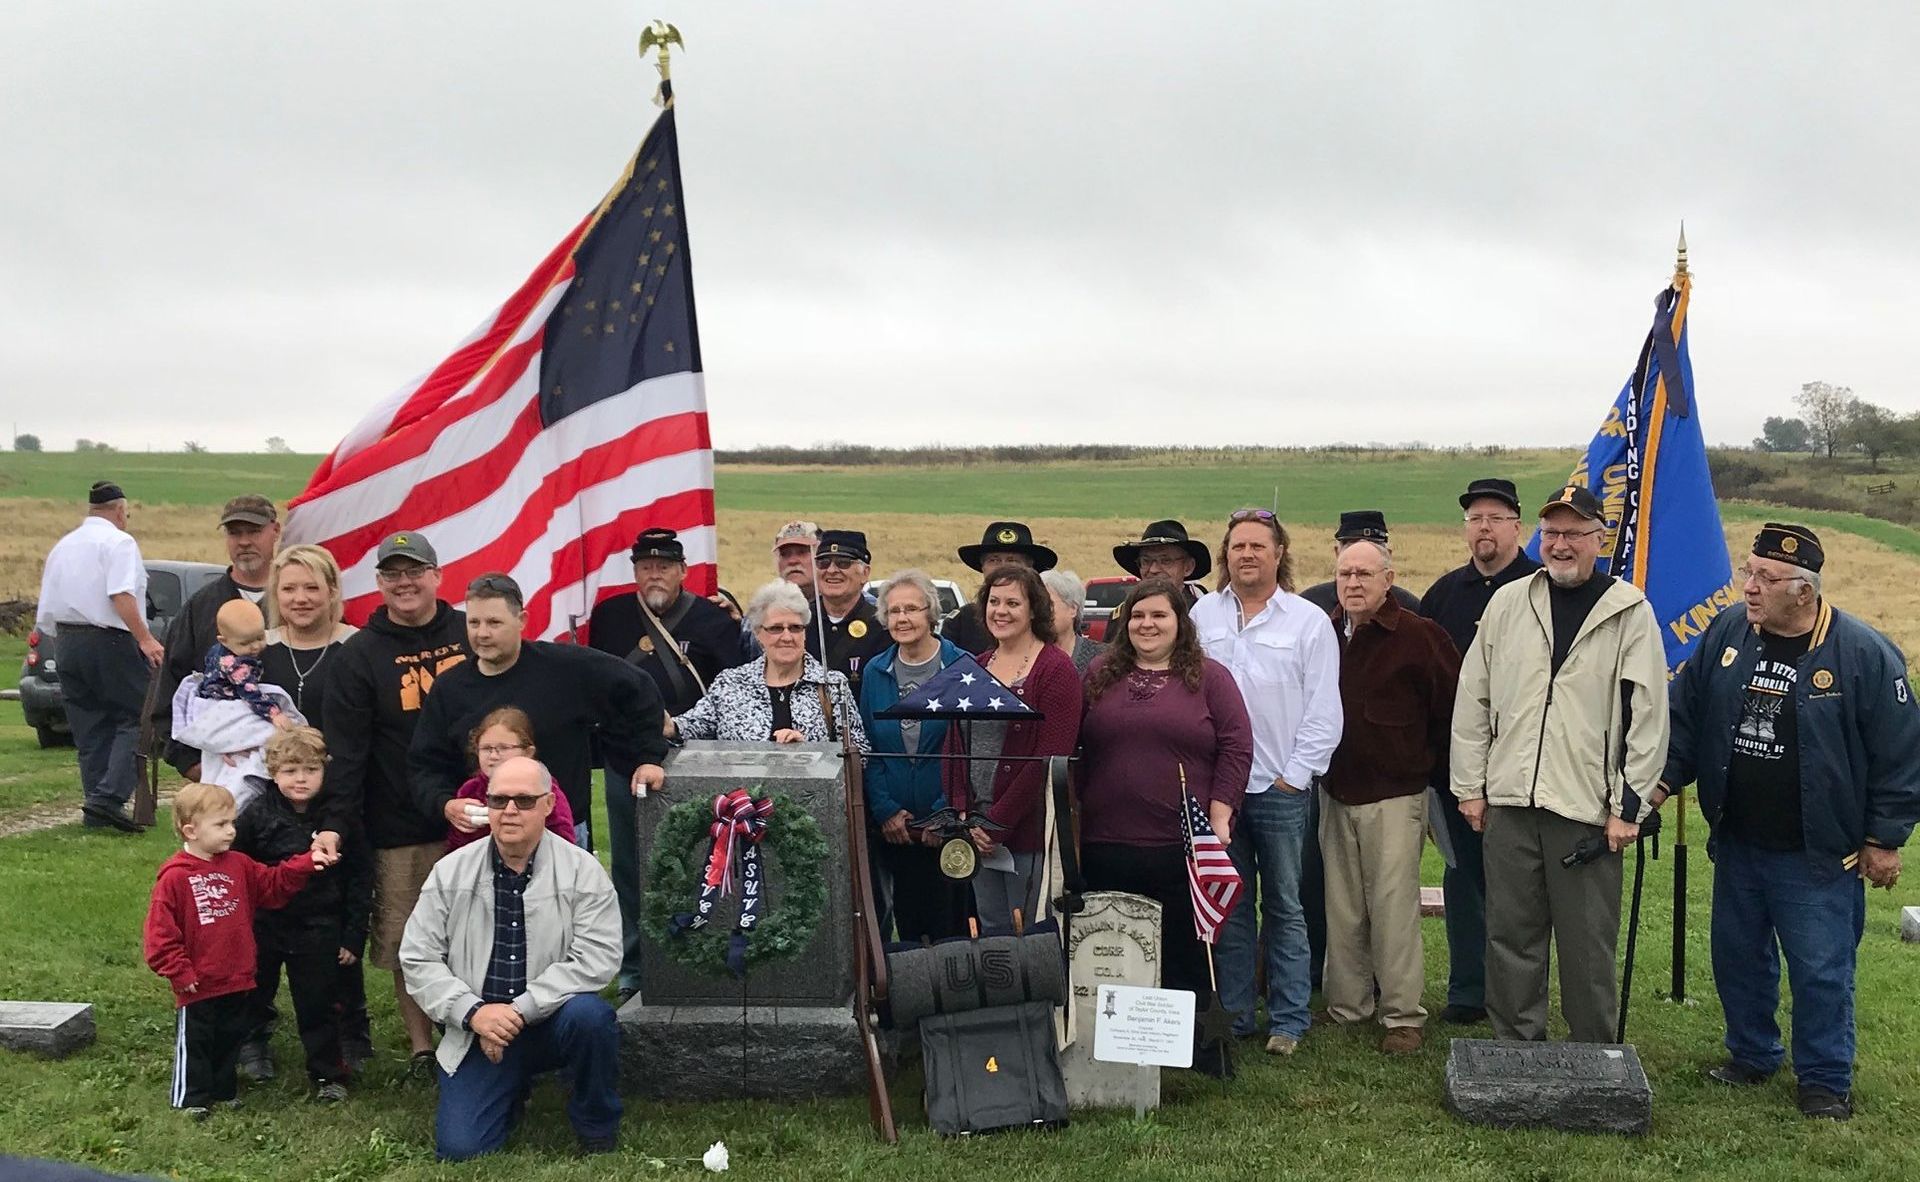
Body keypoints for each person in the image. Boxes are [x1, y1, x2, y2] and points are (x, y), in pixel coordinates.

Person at [1663, 523, 1920, 1121]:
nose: (1749, 587)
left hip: (1817, 851)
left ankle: (1825, 1080)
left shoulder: (1862, 653)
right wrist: (1661, 781)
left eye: (1765, 578)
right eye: (1748, 571)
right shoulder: (1728, 631)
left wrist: (1884, 839)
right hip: (1738, 839)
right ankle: (1752, 1054)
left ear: (1804, 591)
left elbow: (1901, 753)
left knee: (1821, 969)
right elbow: (1687, 714)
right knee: (1738, 957)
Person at [1450, 484, 1668, 1045]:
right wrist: (1470, 787)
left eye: (1574, 533)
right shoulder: (1508, 603)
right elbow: (1473, 698)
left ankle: (1593, 1053)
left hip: (1586, 811)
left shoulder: (1630, 612)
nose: (1561, 544)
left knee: (1586, 944)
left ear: (1600, 539)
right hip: (1510, 804)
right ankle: (1516, 1047)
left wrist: (1629, 808)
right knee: (1509, 936)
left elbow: (1647, 716)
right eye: (1551, 533)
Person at [409, 573, 668, 1002]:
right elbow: (424, 764)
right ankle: (485, 1017)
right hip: (480, 839)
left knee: (562, 942)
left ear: (522, 620)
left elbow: (638, 689)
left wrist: (646, 755)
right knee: (487, 944)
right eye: (474, 623)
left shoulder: (568, 669)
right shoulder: (451, 689)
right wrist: (444, 803)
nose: (482, 633)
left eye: (494, 622)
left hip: (562, 834)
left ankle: (565, 1022)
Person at [400, 756, 624, 1160]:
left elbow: (598, 956)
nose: (509, 811)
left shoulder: (582, 871)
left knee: (591, 1018)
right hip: (478, 1026)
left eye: (523, 800)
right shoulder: (450, 872)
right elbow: (418, 958)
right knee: (461, 1150)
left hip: (554, 1020)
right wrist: (473, 1013)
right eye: (498, 800)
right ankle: (510, 1089)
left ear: (548, 805)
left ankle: (596, 1126)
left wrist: (519, 1011)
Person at [1079, 578, 1252, 1075]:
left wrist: (1221, 814)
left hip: (1181, 843)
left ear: (1181, 623)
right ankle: (1117, 1054)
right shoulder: (1099, 674)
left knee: (1185, 952)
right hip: (1105, 838)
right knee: (1114, 949)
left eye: (1159, 615)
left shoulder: (1210, 678)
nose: (1147, 625)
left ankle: (1196, 1053)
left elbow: (1237, 746)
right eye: (1138, 615)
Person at [1191, 509, 1342, 1056]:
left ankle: (1288, 1019)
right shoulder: (1202, 616)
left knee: (1285, 907)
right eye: (1238, 546)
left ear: (1279, 554)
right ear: (1225, 555)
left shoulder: (1307, 621)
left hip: (1279, 789)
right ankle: (1234, 1018)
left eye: (1258, 546)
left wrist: (1293, 778)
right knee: (1229, 907)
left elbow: (1324, 710)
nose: (1247, 554)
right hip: (1219, 792)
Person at [320, 530, 470, 1077]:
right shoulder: (358, 656)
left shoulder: (469, 632)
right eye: (392, 574)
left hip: (476, 818)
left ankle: (475, 1033)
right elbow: (346, 752)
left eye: (415, 571)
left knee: (475, 933)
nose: (404, 582)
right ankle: (422, 1048)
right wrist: (337, 823)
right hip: (397, 825)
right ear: (380, 583)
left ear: (437, 575)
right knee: (409, 942)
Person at [1320, 535, 1459, 1055]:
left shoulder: (1420, 637)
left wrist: (1432, 772)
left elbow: (1452, 711)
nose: (1353, 583)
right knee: (1343, 908)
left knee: (1394, 907)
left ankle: (1402, 1016)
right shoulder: (1324, 633)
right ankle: (1347, 1005)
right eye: (1345, 574)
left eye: (1364, 574)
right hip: (1335, 791)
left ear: (1388, 581)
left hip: (1396, 794)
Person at [1417, 476, 1539, 1025]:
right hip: (1456, 768)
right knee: (1464, 879)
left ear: (1518, 526)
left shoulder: (1541, 589)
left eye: (1495, 518)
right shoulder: (1444, 595)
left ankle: (1516, 994)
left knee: (1519, 887)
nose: (1484, 528)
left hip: (1524, 765)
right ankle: (1468, 989)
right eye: (1475, 519)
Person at [143, 782, 331, 1119]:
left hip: (237, 976)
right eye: (221, 824)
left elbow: (272, 885)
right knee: (197, 1040)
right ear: (191, 830)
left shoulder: (239, 865)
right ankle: (192, 1098)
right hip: (197, 982)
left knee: (230, 1037)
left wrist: (305, 864)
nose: (232, 831)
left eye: (232, 822)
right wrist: (179, 970)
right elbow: (160, 934)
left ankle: (223, 1090)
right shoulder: (175, 878)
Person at [257, 543, 368, 1069]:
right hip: (270, 800)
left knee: (336, 908)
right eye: (289, 588)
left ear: (332, 591)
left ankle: (349, 1028)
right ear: (275, 594)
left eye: (311, 587)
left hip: (339, 796)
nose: (300, 598)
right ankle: (254, 1027)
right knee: (263, 912)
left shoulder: (356, 647)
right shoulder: (256, 652)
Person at [231, 727, 369, 1102]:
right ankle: (252, 1048)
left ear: (324, 771)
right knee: (254, 991)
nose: (301, 779)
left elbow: (360, 878)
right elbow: (238, 870)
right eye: (290, 771)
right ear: (273, 773)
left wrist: (353, 934)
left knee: (319, 1002)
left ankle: (328, 1073)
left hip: (321, 925)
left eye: (310, 770)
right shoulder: (255, 815)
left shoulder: (340, 820)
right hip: (265, 923)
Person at [943, 565, 1082, 934]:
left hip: (1027, 833)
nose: (1000, 611)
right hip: (975, 830)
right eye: (994, 602)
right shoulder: (975, 666)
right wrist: (965, 816)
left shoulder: (1055, 670)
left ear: (1034, 609)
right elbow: (953, 744)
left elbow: (1048, 757)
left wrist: (997, 823)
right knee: (992, 931)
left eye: (1012, 603)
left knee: (1030, 934)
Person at [34, 481, 165, 832]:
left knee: (90, 725)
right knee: (140, 715)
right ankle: (108, 798)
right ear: (120, 511)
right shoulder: (119, 542)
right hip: (109, 639)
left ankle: (96, 807)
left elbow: (47, 607)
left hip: (66, 640)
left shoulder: (63, 546)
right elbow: (120, 594)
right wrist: (145, 639)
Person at [857, 571, 971, 943]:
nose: (902, 618)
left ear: (931, 614)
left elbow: (968, 751)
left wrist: (944, 811)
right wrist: (885, 810)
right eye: (894, 611)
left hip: (948, 829)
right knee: (907, 933)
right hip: (897, 831)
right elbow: (870, 746)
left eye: (911, 609)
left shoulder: (962, 667)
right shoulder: (876, 671)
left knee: (949, 932)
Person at [159, 495, 284, 779]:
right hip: (219, 769)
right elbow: (169, 688)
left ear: (275, 531)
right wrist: (190, 763)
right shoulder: (201, 607)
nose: (244, 542)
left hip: (292, 769)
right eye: (234, 533)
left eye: (254, 531)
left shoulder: (297, 602)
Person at [670, 581, 869, 749]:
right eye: (775, 628)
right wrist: (666, 725)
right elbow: (692, 726)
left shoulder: (832, 684)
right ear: (758, 633)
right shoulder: (730, 683)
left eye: (795, 627)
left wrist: (809, 751)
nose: (787, 637)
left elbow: (858, 752)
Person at [585, 527, 743, 717]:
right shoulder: (609, 615)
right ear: (636, 573)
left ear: (683, 571)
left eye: (664, 568)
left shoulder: (714, 619)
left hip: (689, 727)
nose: (654, 576)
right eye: (646, 568)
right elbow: (595, 677)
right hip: (623, 727)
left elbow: (732, 688)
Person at [170, 599, 302, 810]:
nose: (255, 646)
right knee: (275, 733)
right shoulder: (235, 665)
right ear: (223, 640)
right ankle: (236, 801)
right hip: (224, 707)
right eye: (246, 643)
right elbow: (251, 693)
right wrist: (274, 714)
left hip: (215, 699)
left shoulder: (219, 651)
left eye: (259, 637)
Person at [446, 707, 577, 851]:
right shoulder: (470, 790)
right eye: (486, 748)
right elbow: (457, 845)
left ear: (528, 752)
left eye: (503, 748)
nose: (493, 756)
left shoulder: (542, 789)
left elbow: (564, 842)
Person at [942, 521, 1058, 655]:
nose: (1003, 568)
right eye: (994, 560)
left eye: (1012, 560)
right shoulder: (960, 622)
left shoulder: (1049, 620)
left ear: (1029, 568)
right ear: (982, 567)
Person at [808, 529, 888, 693]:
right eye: (823, 563)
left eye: (843, 563)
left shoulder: (883, 626)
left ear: (865, 573)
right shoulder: (799, 622)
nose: (831, 570)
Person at [1298, 510, 1421, 614]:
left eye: (1372, 548)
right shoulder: (1310, 607)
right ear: (1337, 553)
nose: (1360, 554)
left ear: (1387, 555)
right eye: (1351, 546)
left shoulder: (1411, 611)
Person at [1112, 519, 1211, 601]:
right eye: (1146, 561)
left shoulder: (1202, 612)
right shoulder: (1126, 613)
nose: (1153, 570)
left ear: (1188, 567)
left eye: (1166, 561)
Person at [1041, 569, 1106, 674]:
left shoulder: (1101, 656)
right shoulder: (1028, 656)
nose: (1042, 611)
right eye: (1039, 605)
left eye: (1049, 605)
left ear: (1073, 609)